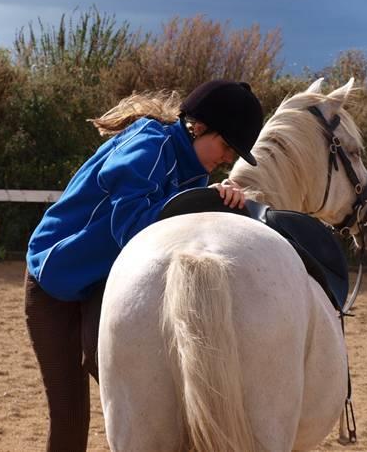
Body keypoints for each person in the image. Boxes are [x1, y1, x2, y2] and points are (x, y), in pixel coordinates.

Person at [24, 79, 264, 452]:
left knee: (115, 372)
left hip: (102, 278)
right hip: (54, 278)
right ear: (199, 127)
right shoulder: (149, 146)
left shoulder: (194, 172)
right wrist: (203, 200)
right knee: (70, 415)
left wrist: (219, 201)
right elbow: (131, 229)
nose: (228, 159)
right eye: (227, 146)